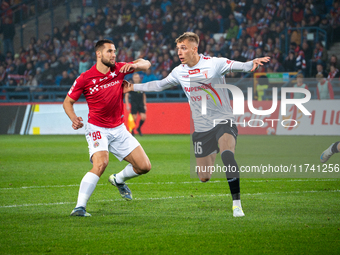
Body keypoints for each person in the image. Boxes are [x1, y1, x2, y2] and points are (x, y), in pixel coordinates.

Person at [123, 32, 270, 217]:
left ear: (195, 48)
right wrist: (133, 87)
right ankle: (214, 148)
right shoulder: (179, 71)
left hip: (223, 120)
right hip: (202, 128)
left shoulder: (214, 64)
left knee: (227, 156)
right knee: (204, 176)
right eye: (178, 49)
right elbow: (159, 85)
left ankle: (237, 204)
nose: (179, 52)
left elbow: (239, 66)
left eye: (183, 48)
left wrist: (251, 64)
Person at [63, 39, 152, 217]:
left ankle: (118, 179)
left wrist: (136, 64)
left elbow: (146, 64)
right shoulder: (85, 78)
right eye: (110, 51)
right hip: (97, 128)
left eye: (114, 51)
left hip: (118, 129)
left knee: (144, 166)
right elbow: (68, 102)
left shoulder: (119, 69)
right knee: (101, 163)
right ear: (99, 54)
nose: (114, 55)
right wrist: (74, 118)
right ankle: (79, 207)